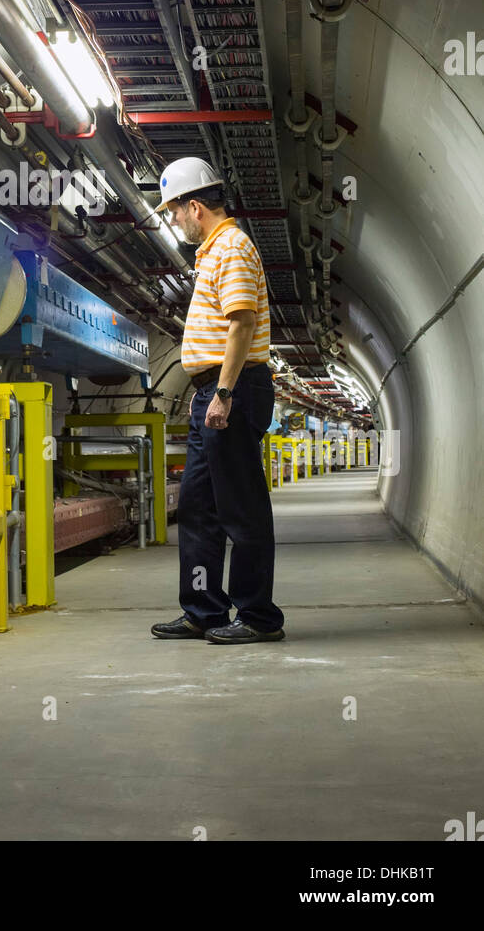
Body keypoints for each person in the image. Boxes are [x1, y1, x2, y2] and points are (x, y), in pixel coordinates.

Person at [149, 157, 285, 643]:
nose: (172, 220)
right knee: (199, 508)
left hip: (237, 389)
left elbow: (242, 323)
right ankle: (204, 609)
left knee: (241, 508)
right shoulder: (212, 251)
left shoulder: (232, 247)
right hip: (214, 390)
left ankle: (257, 616)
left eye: (173, 212)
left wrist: (223, 393)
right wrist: (205, 391)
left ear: (194, 206)